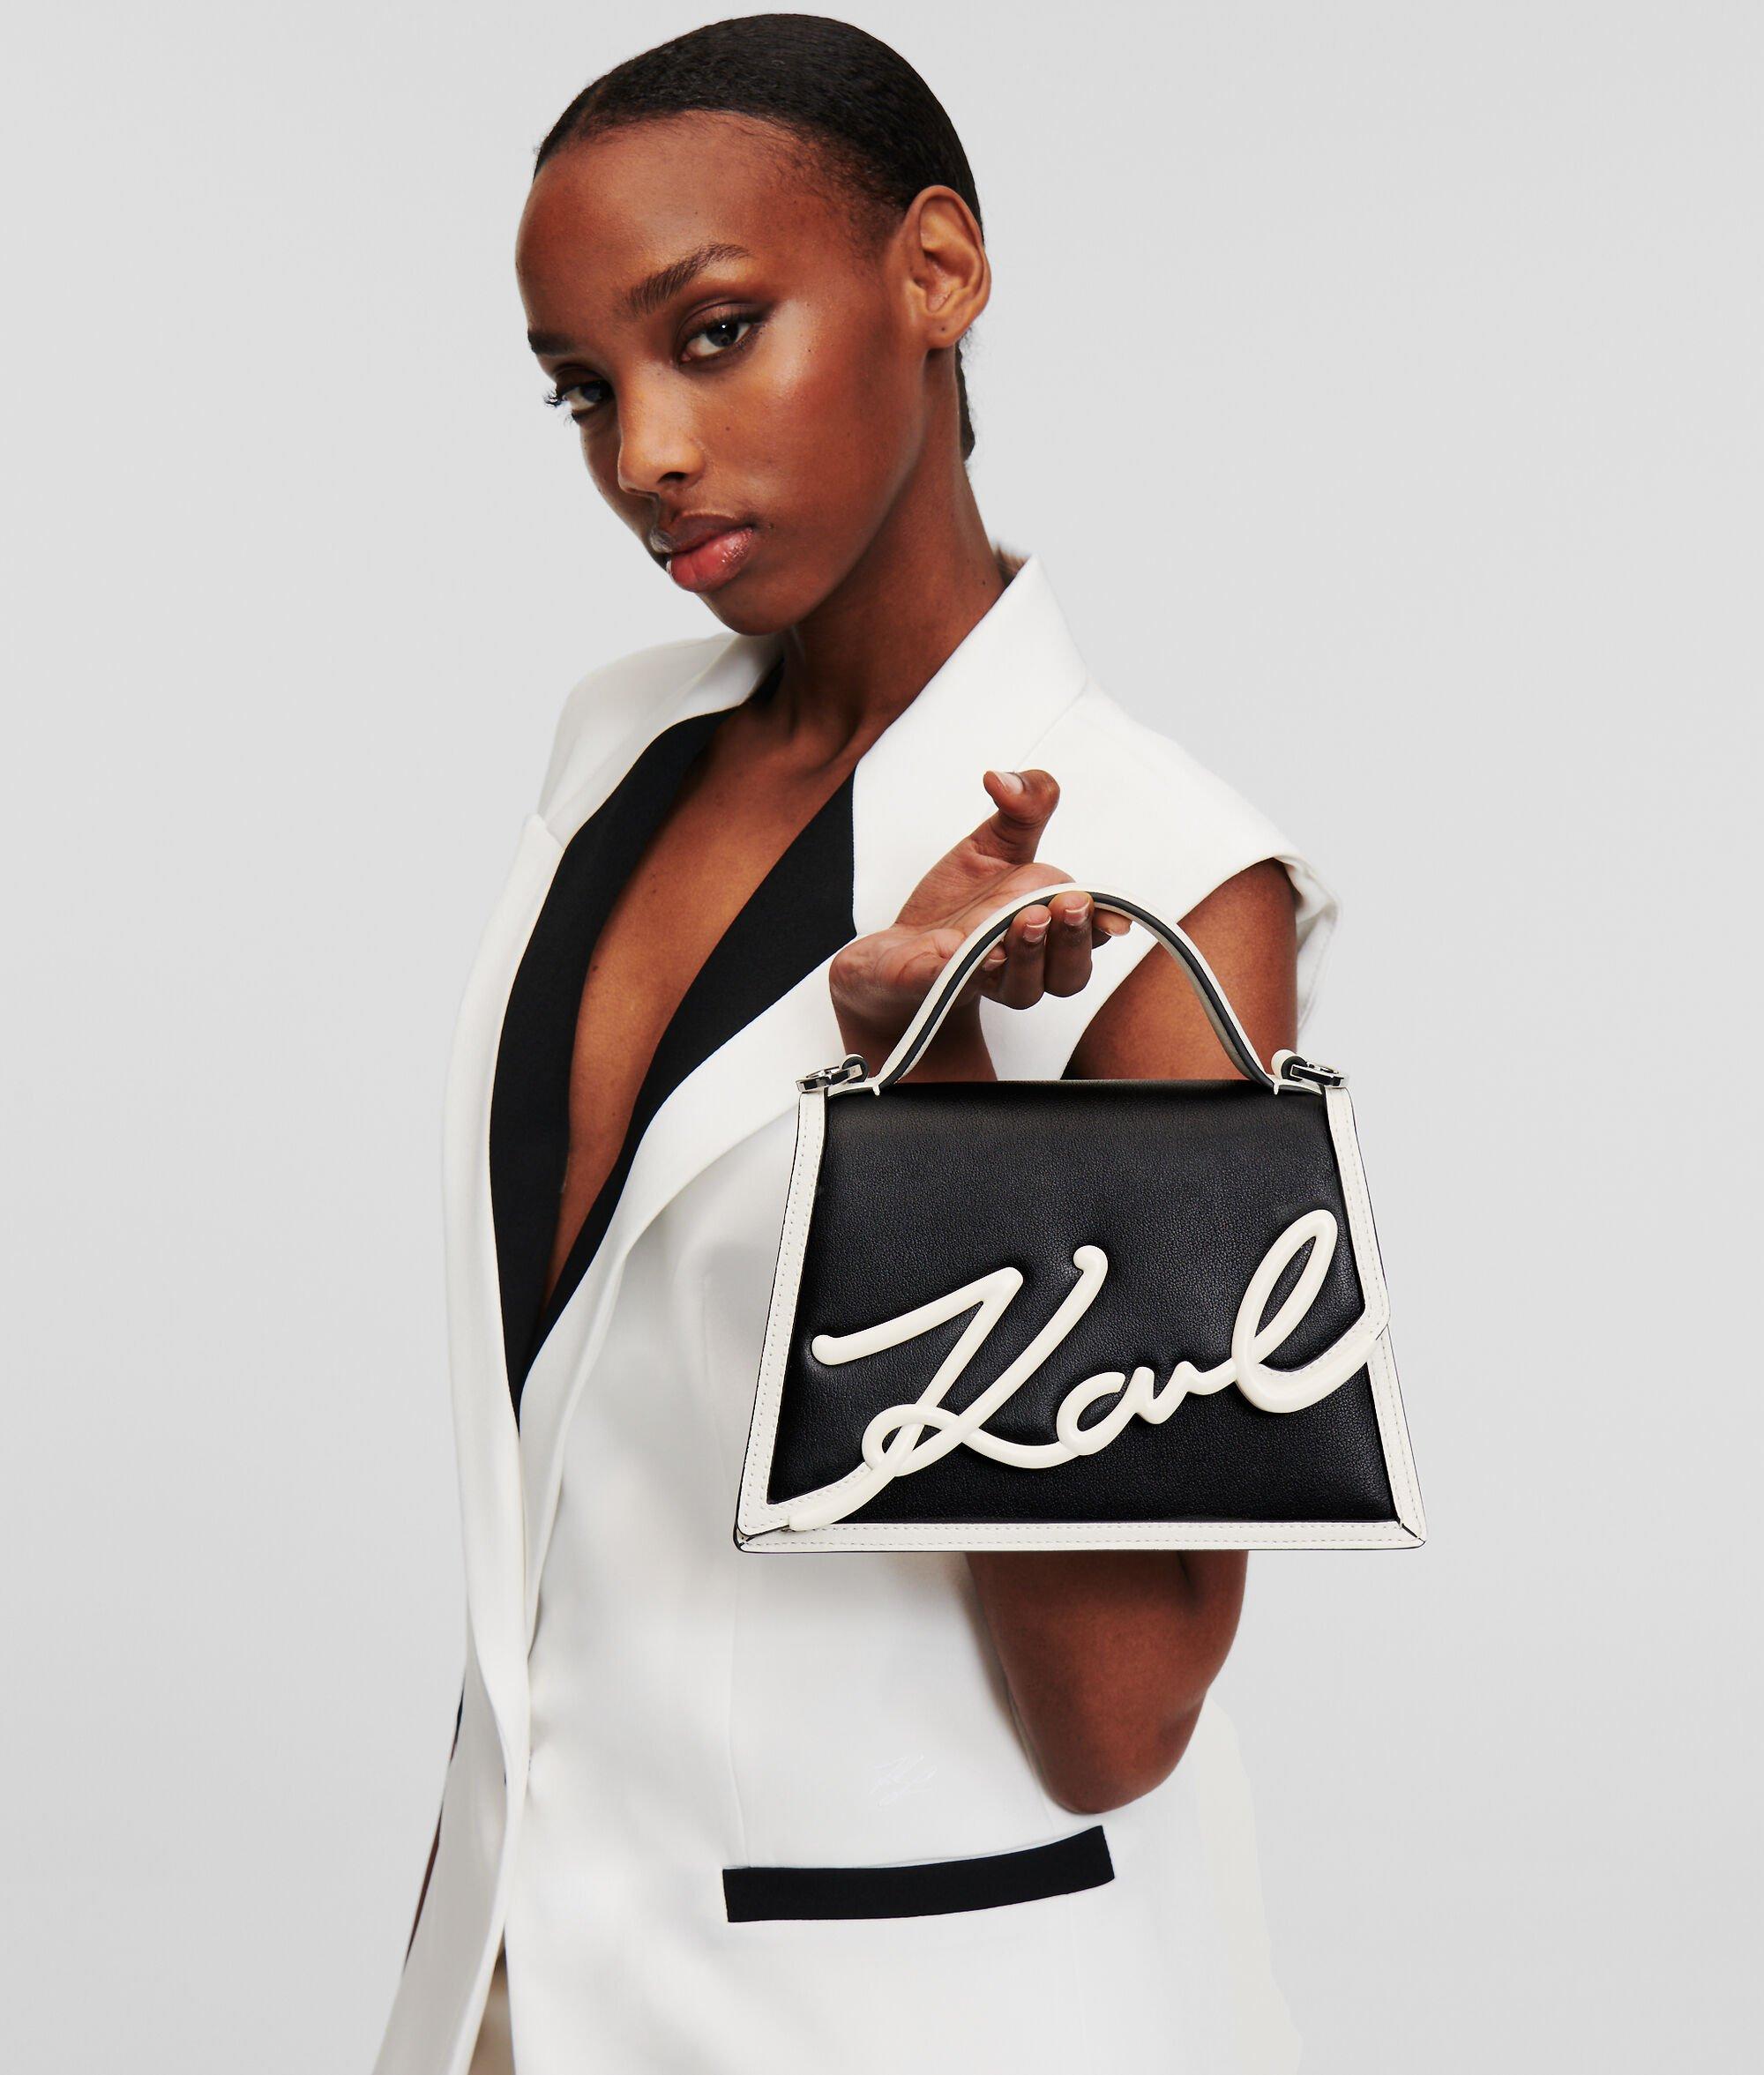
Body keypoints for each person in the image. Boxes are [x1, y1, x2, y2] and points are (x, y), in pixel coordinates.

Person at [372, 16, 1336, 2072]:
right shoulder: (615, 748)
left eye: (713, 334)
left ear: (936, 272)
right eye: (583, 388)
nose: (643, 452)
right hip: (513, 1991)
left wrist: (934, 1112)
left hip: (905, 2010)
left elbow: (1119, 1714)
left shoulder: (1167, 876)